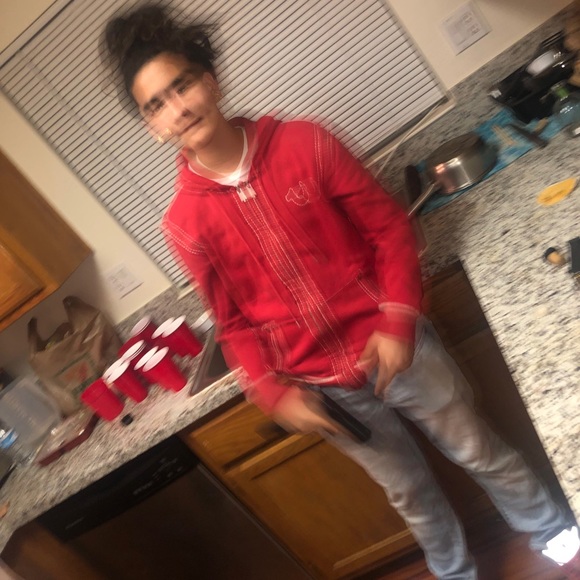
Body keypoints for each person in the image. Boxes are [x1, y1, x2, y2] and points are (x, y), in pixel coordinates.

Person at [101, 5, 579, 578]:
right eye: (156, 104)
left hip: (400, 349)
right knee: (409, 494)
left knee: (478, 449)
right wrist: (271, 392)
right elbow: (233, 324)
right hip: (325, 390)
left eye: (182, 85)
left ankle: (554, 534)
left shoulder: (305, 143)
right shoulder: (183, 224)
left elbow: (390, 231)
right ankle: (457, 575)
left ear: (212, 81)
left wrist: (397, 322)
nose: (177, 109)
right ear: (150, 126)